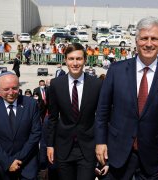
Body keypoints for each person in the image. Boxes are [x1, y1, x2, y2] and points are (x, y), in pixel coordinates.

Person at [95, 16, 158, 180]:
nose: (149, 44)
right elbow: (102, 111)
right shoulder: (116, 70)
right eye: (144, 38)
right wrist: (100, 142)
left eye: (154, 39)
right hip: (116, 155)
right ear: (136, 41)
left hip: (153, 159)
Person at [46, 43, 102, 180]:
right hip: (64, 147)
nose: (75, 63)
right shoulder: (56, 84)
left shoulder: (97, 85)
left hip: (88, 148)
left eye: (79, 59)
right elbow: (53, 118)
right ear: (65, 60)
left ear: (85, 60)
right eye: (71, 59)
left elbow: (102, 118)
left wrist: (102, 144)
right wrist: (50, 145)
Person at [0, 72, 42, 180]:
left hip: (28, 163)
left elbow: (36, 134)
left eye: (14, 88)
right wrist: (8, 162)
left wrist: (18, 160)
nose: (11, 93)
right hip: (2, 165)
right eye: (6, 89)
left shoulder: (31, 104)